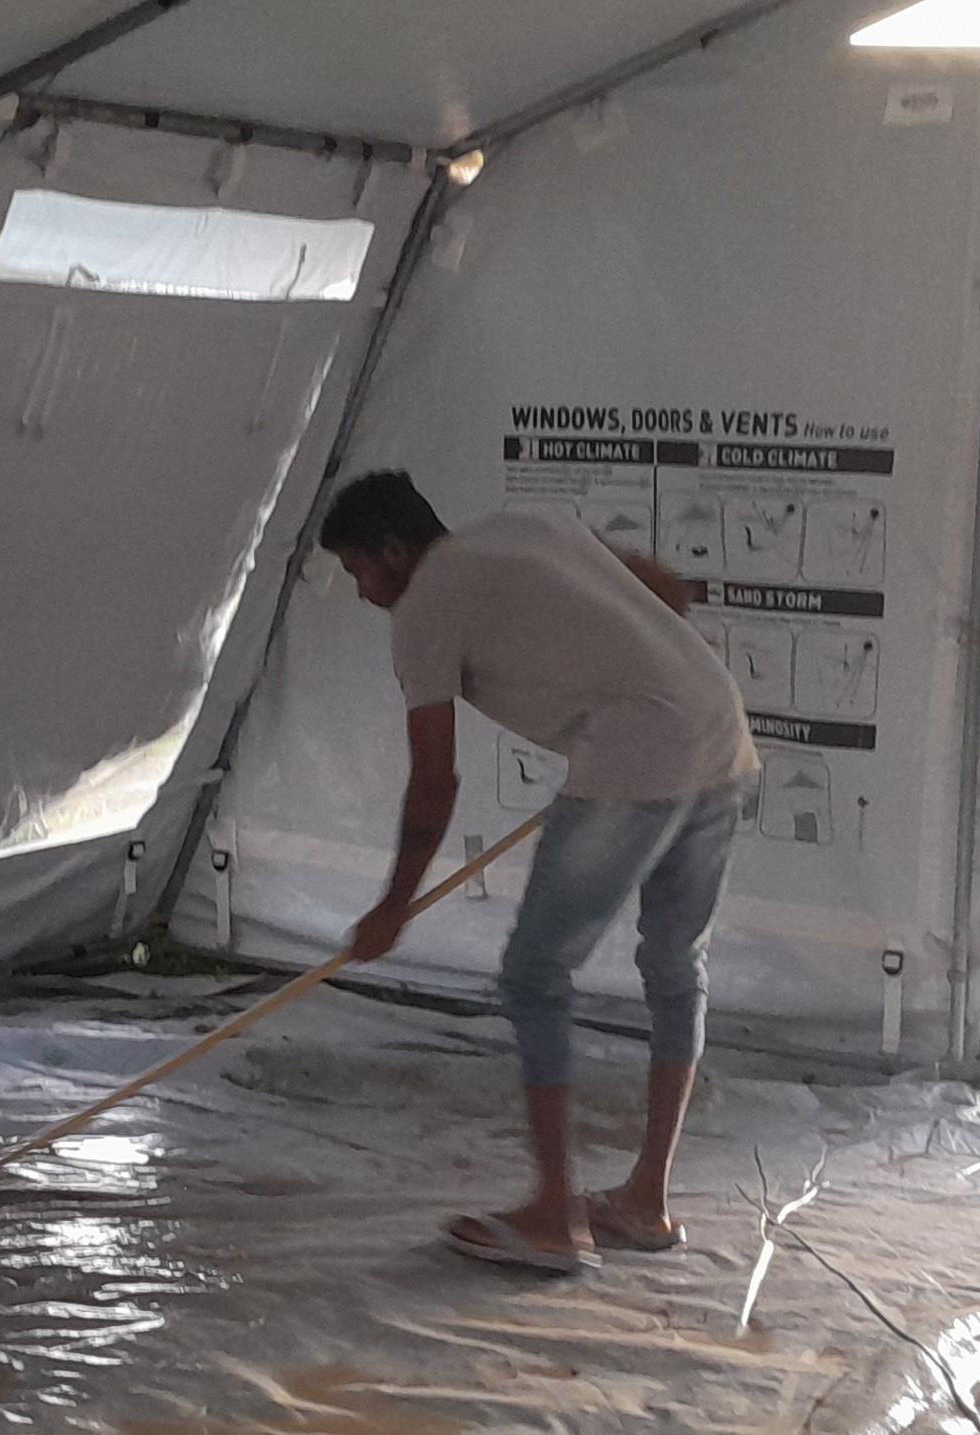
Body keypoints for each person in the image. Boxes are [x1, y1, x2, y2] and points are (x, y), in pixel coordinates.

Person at [325, 471, 759, 1273]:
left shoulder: (424, 604)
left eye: (359, 571)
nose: (362, 593)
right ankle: (645, 1203)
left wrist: (393, 907)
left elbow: (434, 783)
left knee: (533, 974)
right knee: (673, 965)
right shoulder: (527, 528)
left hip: (642, 753)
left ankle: (556, 1215)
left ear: (394, 550)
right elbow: (662, 588)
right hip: (721, 729)